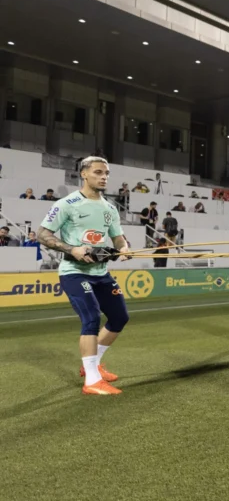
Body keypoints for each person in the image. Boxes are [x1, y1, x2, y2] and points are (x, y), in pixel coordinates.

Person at [37, 156, 132, 395]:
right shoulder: (66, 204)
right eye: (98, 172)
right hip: (74, 273)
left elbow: (117, 236)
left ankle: (92, 365)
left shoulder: (110, 208)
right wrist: (72, 249)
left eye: (107, 173)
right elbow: (42, 234)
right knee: (91, 318)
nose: (104, 177)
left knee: (120, 318)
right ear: (84, 174)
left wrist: (124, 248)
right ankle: (91, 381)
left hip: (101, 273)